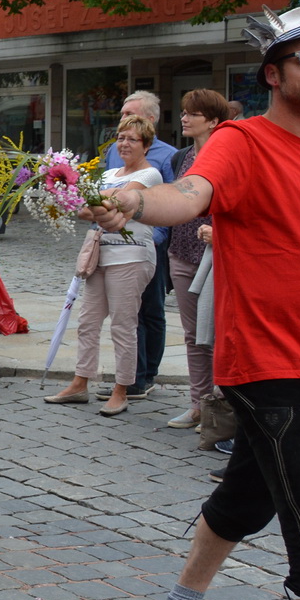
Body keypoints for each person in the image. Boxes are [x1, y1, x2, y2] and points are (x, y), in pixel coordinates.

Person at [88, 4, 300, 600]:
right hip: (269, 367)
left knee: (247, 495)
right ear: (273, 73)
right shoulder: (242, 141)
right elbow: (188, 194)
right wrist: (133, 202)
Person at [46, 113, 163, 414]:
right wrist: (97, 199)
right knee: (87, 322)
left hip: (131, 255)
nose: (124, 143)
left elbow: (119, 199)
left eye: (132, 139)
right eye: (121, 138)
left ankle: (122, 389)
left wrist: (93, 198)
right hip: (102, 254)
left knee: (124, 325)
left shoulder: (151, 175)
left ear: (146, 145)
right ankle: (80, 381)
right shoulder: (110, 173)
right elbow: (85, 209)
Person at [103, 90, 179, 398]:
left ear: (148, 119)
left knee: (150, 309)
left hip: (151, 242)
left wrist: (157, 238)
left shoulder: (167, 155)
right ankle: (130, 372)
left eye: (128, 114)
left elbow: (172, 200)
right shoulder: (114, 150)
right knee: (125, 312)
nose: (122, 120)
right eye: (121, 114)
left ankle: (146, 374)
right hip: (114, 243)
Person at [166, 91, 228, 433]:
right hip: (181, 254)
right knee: (193, 335)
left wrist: (218, 233)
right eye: (184, 112)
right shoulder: (182, 157)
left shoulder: (229, 158)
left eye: (193, 114)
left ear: (214, 121)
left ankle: (220, 408)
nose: (184, 118)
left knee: (219, 335)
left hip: (218, 259)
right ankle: (197, 404)